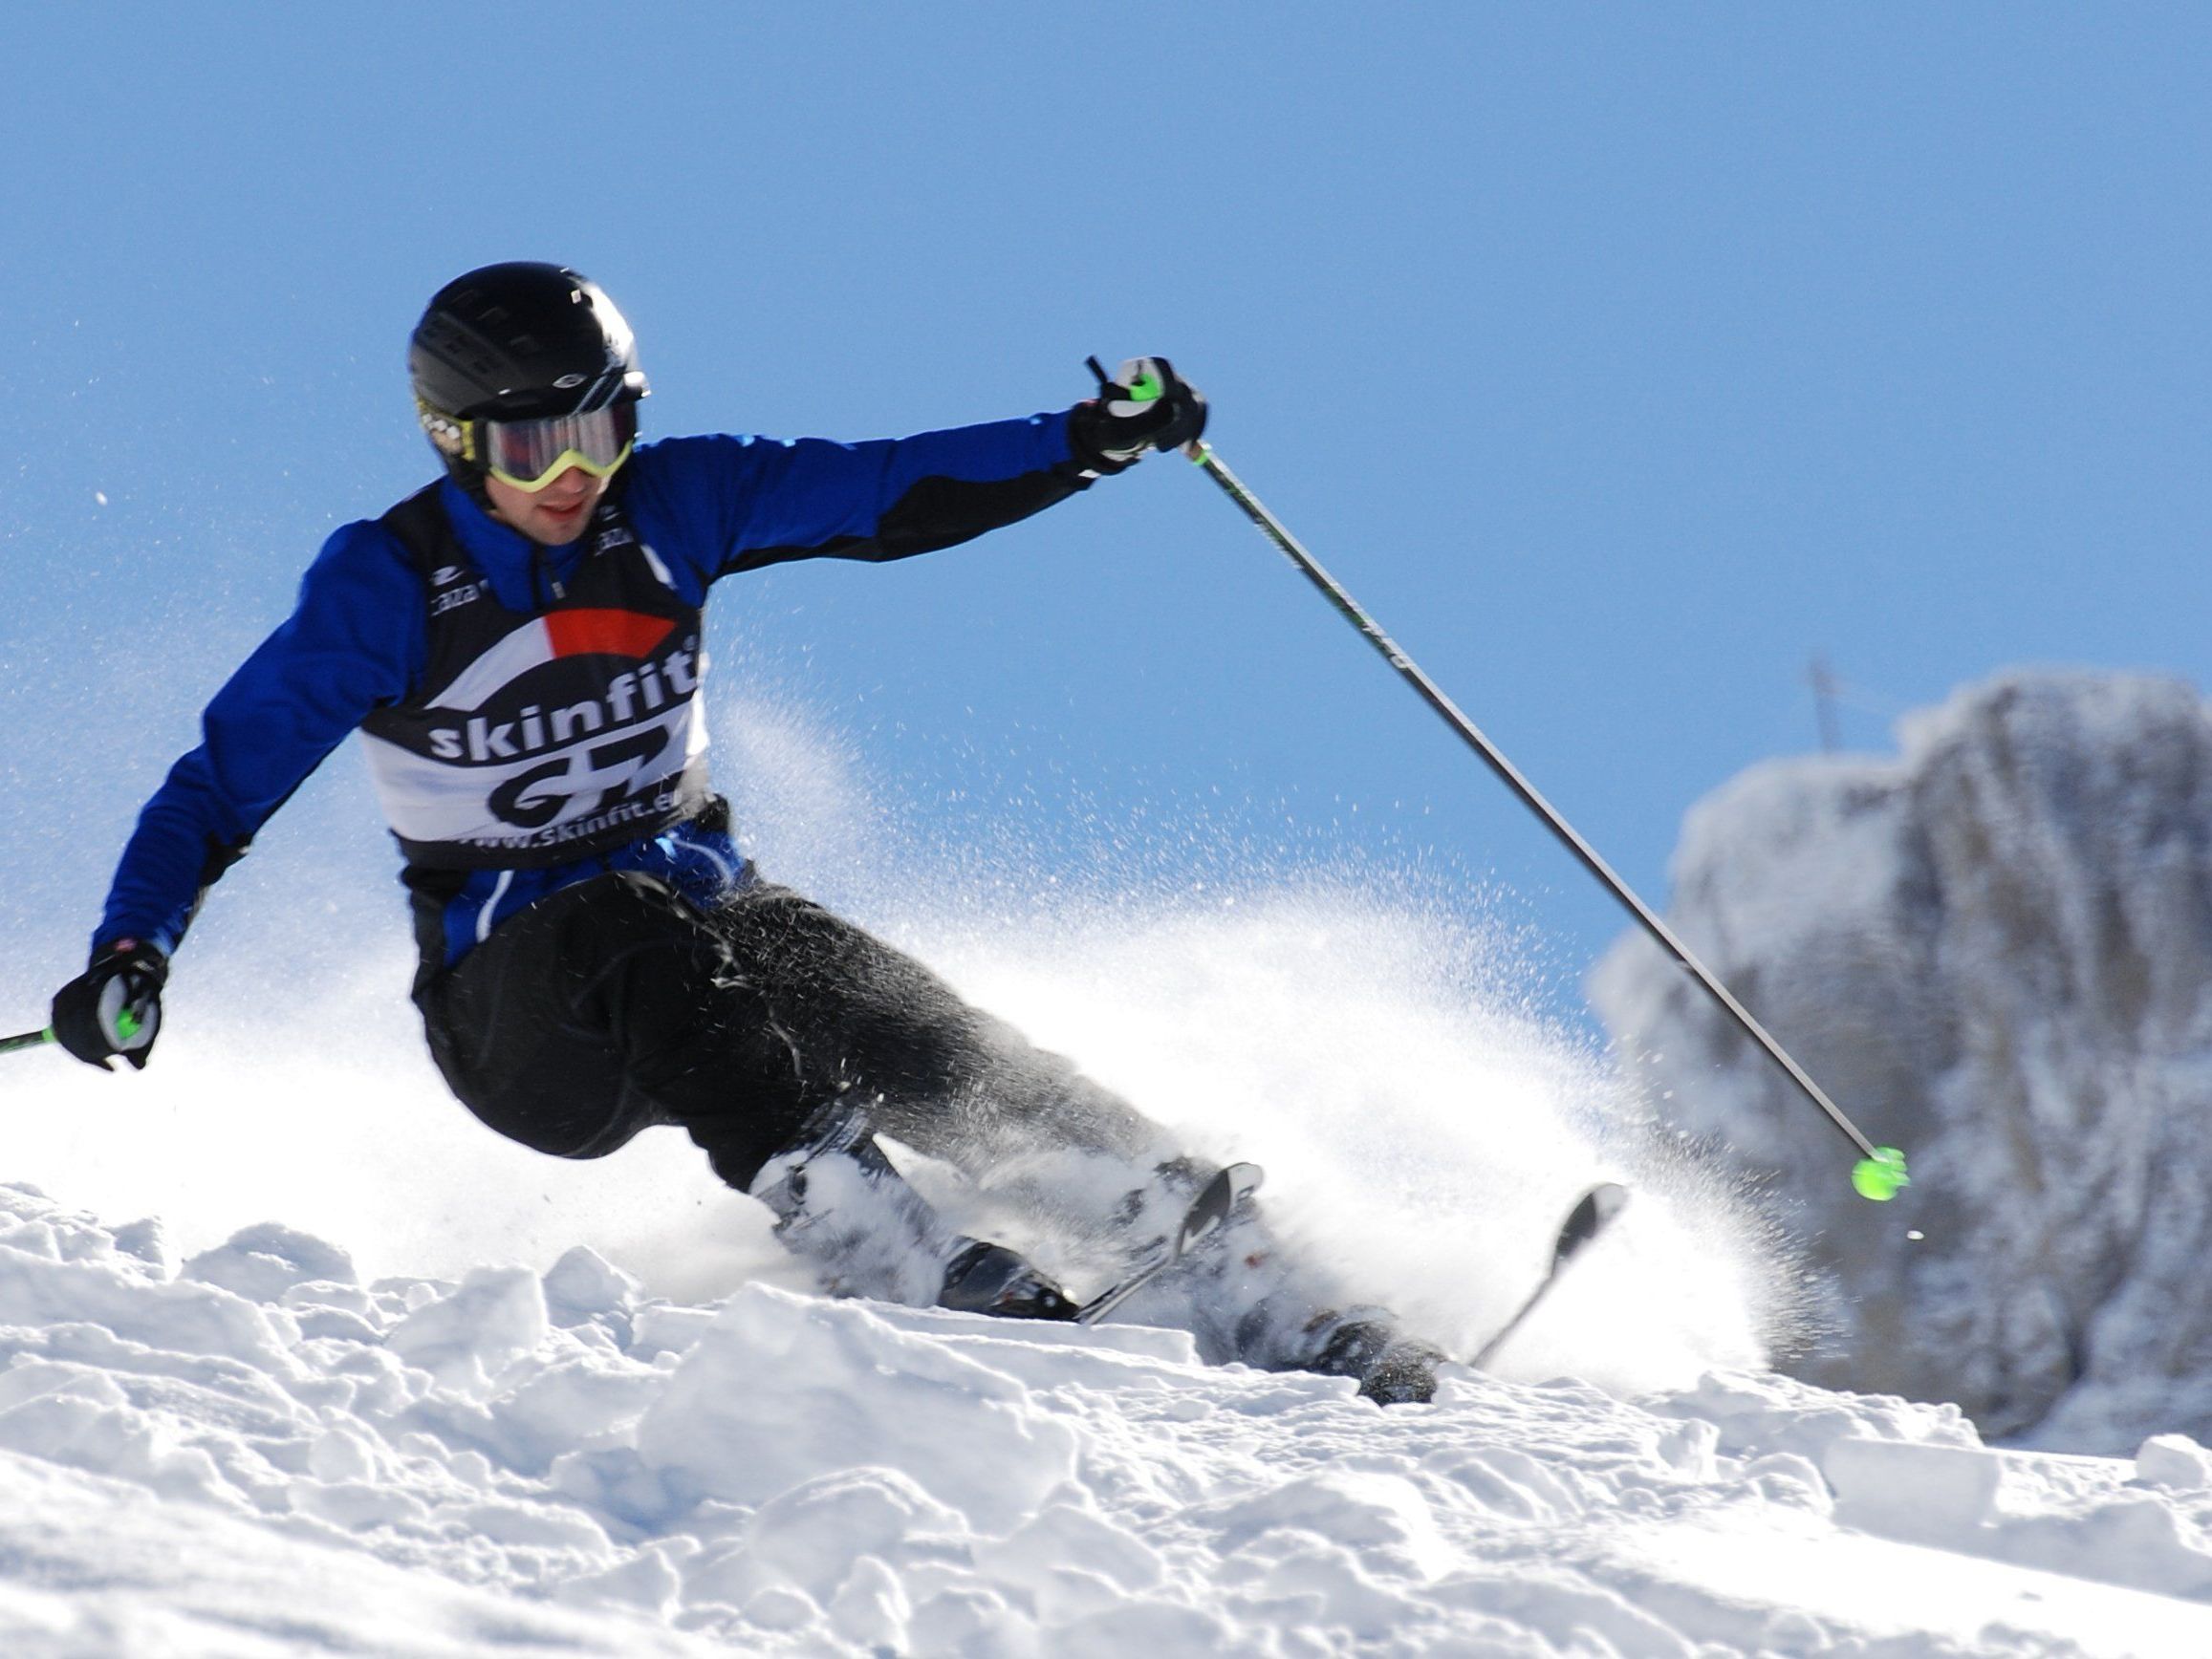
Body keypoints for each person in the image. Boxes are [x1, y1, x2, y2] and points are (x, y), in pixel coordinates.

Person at [49, 262, 1444, 1403]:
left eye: (600, 429)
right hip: (524, 1019)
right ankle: (879, 1243)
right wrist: (135, 949)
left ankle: (1223, 1262)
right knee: (622, 922)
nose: (571, 473)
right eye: (533, 444)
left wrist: (1084, 445)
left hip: (706, 929)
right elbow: (215, 787)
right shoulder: (388, 584)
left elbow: (889, 490)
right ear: (456, 441)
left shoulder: (678, 504)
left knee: (866, 996)